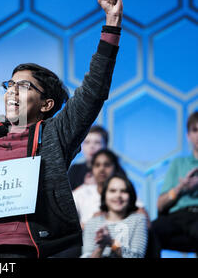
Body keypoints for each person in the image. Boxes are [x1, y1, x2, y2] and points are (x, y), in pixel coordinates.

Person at [0, 0, 123, 258]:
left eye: (24, 86)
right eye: (10, 84)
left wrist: (112, 23)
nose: (12, 91)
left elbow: (94, 90)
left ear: (46, 104)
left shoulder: (56, 133)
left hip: (34, 248)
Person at [151, 111, 198, 253]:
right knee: (149, 231)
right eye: (195, 130)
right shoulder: (178, 163)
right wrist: (181, 187)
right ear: (188, 135)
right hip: (178, 217)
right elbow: (160, 205)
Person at [72, 148, 146, 228]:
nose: (102, 169)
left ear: (115, 168)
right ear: (92, 169)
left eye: (107, 165)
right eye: (97, 165)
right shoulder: (82, 193)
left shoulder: (124, 192)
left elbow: (145, 222)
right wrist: (91, 224)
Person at [81, 174, 148, 258]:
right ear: (105, 195)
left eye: (123, 191)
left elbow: (136, 256)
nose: (118, 195)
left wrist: (111, 242)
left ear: (130, 195)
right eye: (112, 191)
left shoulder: (138, 220)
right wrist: (101, 246)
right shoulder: (92, 223)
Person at [68, 125, 108, 190]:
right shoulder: (75, 170)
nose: (91, 146)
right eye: (87, 142)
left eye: (97, 142)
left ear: (105, 146)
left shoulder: (113, 170)